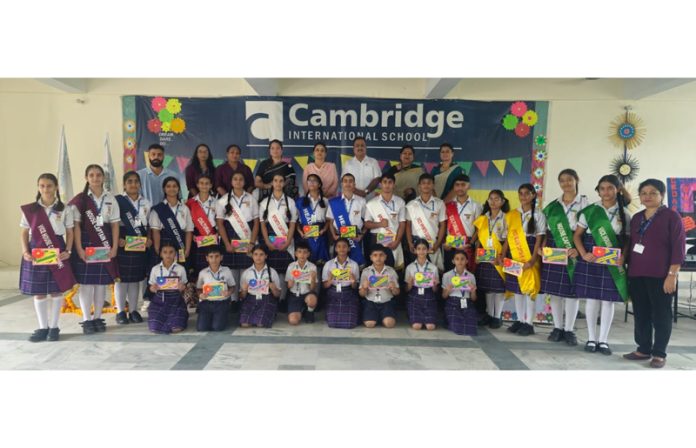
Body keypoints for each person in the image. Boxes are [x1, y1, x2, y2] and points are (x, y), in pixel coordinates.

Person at [624, 179, 686, 368]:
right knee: (641, 313)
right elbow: (632, 244)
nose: (648, 196)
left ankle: (659, 353)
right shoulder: (636, 218)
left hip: (661, 275)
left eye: (653, 193)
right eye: (644, 193)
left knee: (661, 314)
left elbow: (678, 248)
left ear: (662, 195)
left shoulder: (671, 216)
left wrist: (672, 275)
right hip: (637, 273)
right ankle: (643, 348)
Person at [573, 175, 632, 355]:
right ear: (598, 190)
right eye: (602, 188)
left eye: (610, 188)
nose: (606, 192)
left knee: (608, 301)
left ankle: (603, 340)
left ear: (618, 190)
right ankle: (591, 338)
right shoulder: (590, 211)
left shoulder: (625, 214)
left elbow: (628, 239)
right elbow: (577, 236)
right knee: (591, 299)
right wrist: (583, 253)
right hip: (592, 258)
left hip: (613, 260)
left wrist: (624, 256)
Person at [19, 173, 76, 342]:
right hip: (36, 250)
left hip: (57, 249)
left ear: (56, 187)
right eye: (42, 186)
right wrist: (25, 251)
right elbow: (23, 232)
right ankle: (43, 327)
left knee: (56, 290)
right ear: (38, 187)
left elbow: (70, 232)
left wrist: (69, 250)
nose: (46, 189)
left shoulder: (64, 209)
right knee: (39, 292)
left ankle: (54, 327)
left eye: (49, 186)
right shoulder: (30, 210)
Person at [69, 164, 120, 335]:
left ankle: (98, 317)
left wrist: (113, 247)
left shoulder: (110, 199)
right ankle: (86, 319)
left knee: (100, 285)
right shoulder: (80, 200)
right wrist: (79, 248)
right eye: (91, 175)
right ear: (86, 178)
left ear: (103, 178)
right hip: (85, 243)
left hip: (104, 242)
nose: (96, 178)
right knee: (86, 284)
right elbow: (75, 226)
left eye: (99, 175)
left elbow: (114, 225)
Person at [539, 169, 588, 346]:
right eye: (562, 180)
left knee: (571, 293)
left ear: (577, 180)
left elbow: (588, 232)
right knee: (555, 292)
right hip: (554, 249)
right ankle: (557, 327)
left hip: (574, 250)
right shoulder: (553, 206)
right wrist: (543, 245)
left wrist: (579, 249)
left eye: (569, 180)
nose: (566, 183)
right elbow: (545, 229)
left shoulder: (586, 204)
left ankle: (569, 330)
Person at [501, 183, 546, 337]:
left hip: (530, 251)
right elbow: (507, 237)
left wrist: (533, 260)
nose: (523, 196)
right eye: (521, 193)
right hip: (514, 252)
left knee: (529, 290)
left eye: (527, 193)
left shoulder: (539, 214)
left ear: (533, 195)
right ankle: (520, 320)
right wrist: (503, 254)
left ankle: (529, 323)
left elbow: (540, 239)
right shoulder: (512, 214)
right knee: (517, 290)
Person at [114, 171, 151, 325]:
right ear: (124, 184)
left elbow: (148, 225)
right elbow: (112, 224)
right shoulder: (117, 201)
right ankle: (121, 311)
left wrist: (148, 238)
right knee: (121, 280)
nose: (133, 184)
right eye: (129, 181)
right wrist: (117, 240)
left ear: (140, 184)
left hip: (139, 242)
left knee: (136, 279)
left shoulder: (146, 203)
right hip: (123, 241)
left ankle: (134, 310)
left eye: (136, 181)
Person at [216, 172, 260, 300]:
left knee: (246, 270)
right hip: (230, 237)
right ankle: (234, 300)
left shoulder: (251, 199)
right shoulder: (223, 200)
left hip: (247, 237)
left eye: (241, 179)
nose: (238, 181)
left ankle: (245, 298)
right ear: (231, 182)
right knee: (232, 271)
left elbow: (256, 223)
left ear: (244, 182)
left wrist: (252, 243)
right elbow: (220, 224)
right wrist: (227, 243)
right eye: (235, 179)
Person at [473, 190, 509, 329]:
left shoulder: (506, 217)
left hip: (499, 252)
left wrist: (502, 255)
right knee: (488, 287)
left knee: (498, 287)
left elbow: (507, 240)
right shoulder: (483, 217)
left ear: (502, 201)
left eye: (497, 199)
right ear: (487, 201)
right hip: (484, 253)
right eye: (491, 199)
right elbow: (477, 238)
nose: (493, 202)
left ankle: (497, 316)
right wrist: (477, 253)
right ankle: (489, 313)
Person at [259, 173, 298, 302]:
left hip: (286, 241)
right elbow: (263, 224)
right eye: (275, 181)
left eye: (281, 181)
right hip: (270, 241)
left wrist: (287, 242)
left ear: (284, 183)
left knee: (284, 271)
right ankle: (273, 298)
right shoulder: (264, 202)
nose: (278, 183)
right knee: (272, 271)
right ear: (272, 183)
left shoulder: (290, 202)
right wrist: (266, 242)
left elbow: (292, 223)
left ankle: (283, 299)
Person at [364, 173, 406, 269]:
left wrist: (397, 241)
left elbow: (402, 224)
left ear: (394, 185)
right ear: (380, 184)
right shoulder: (371, 203)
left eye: (390, 182)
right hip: (377, 240)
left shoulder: (400, 202)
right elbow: (367, 224)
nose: (387, 185)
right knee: (377, 269)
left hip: (394, 240)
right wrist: (380, 224)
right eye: (385, 182)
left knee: (393, 269)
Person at [149, 177, 194, 268]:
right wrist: (157, 249)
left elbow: (189, 231)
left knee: (180, 271)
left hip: (181, 244)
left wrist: (187, 249)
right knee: (164, 274)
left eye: (174, 186)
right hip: (164, 244)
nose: (172, 189)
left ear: (178, 189)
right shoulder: (159, 209)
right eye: (168, 186)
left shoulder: (184, 208)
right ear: (164, 189)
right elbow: (155, 231)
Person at [405, 173, 446, 271]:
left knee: (435, 271)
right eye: (423, 183)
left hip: (433, 242)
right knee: (417, 271)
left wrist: (437, 243)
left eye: (429, 183)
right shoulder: (411, 204)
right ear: (419, 186)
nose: (426, 185)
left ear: (433, 185)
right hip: (416, 243)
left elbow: (443, 225)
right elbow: (408, 225)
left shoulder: (439, 203)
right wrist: (410, 243)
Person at [443, 174, 483, 273]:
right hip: (451, 244)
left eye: (463, 185)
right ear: (454, 187)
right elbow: (443, 226)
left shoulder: (476, 206)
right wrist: (445, 243)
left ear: (468, 186)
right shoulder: (447, 206)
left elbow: (479, 228)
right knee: (451, 274)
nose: (460, 187)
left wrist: (471, 243)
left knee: (468, 274)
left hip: (468, 245)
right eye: (457, 185)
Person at [147, 242, 188, 334]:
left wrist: (182, 287)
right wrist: (153, 288)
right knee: (155, 328)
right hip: (159, 301)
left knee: (176, 328)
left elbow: (184, 286)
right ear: (161, 254)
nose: (168, 255)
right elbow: (151, 287)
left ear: (175, 254)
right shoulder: (155, 269)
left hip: (176, 301)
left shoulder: (180, 269)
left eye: (171, 252)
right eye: (165, 252)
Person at [327, 173, 366, 266]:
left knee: (356, 265)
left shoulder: (362, 201)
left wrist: (361, 236)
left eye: (351, 181)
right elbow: (330, 222)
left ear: (354, 184)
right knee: (339, 265)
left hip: (355, 238)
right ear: (342, 184)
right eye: (345, 181)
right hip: (339, 239)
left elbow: (367, 222)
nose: (348, 184)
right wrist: (334, 236)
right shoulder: (334, 202)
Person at [239, 244, 282, 328]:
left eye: (261, 254)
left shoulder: (272, 272)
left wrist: (274, 289)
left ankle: (271, 313)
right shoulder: (246, 273)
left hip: (267, 299)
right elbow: (241, 296)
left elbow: (278, 294)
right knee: (245, 324)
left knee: (260, 324)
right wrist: (244, 291)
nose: (258, 257)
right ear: (252, 256)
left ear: (266, 256)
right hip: (250, 300)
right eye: (255, 254)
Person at [322, 238, 361, 329]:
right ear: (335, 249)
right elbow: (325, 285)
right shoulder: (329, 264)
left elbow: (355, 287)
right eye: (339, 246)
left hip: (348, 293)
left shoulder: (354, 264)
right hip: (333, 292)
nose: (341, 249)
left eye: (344, 246)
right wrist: (330, 280)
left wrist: (353, 281)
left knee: (350, 324)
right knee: (332, 323)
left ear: (349, 249)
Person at [196, 246, 236, 332]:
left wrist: (229, 292)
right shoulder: (203, 273)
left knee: (217, 327)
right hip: (206, 303)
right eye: (211, 257)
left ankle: (221, 316)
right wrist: (200, 295)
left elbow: (232, 286)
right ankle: (212, 317)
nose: (214, 260)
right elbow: (198, 288)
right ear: (207, 258)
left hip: (222, 303)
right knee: (201, 328)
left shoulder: (227, 271)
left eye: (217, 256)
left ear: (221, 257)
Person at [359, 246, 400, 328]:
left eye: (381, 255)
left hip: (386, 302)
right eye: (375, 255)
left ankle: (382, 317)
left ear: (385, 257)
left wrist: (394, 288)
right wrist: (364, 288)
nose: (378, 258)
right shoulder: (366, 271)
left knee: (389, 324)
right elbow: (362, 294)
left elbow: (397, 293)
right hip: (371, 302)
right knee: (370, 324)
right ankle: (376, 317)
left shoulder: (391, 271)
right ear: (371, 257)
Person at [186, 174, 218, 277]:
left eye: (207, 183)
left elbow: (220, 222)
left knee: (212, 267)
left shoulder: (217, 203)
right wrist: (192, 236)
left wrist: (217, 234)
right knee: (198, 268)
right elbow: (187, 223)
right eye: (201, 183)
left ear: (211, 185)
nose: (204, 186)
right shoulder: (190, 203)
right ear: (197, 185)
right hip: (196, 237)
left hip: (212, 236)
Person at [404, 239, 440, 330]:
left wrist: (434, 285)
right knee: (417, 326)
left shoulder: (433, 268)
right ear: (415, 250)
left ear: (428, 250)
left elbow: (435, 291)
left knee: (430, 327)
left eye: (424, 249)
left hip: (429, 296)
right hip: (414, 297)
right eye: (419, 249)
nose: (421, 251)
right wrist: (409, 284)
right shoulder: (410, 267)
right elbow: (406, 290)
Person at [296, 173, 330, 265]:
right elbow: (296, 221)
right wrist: (301, 233)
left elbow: (328, 220)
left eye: (314, 180)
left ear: (319, 184)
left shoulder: (326, 201)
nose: (311, 182)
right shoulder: (300, 201)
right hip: (306, 235)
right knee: (308, 262)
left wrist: (323, 230)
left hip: (321, 235)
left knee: (322, 262)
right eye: (309, 180)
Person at [442, 251, 479, 336]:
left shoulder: (471, 276)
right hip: (452, 303)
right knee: (458, 328)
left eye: (462, 259)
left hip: (467, 302)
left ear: (466, 261)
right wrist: (448, 290)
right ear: (453, 261)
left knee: (472, 329)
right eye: (457, 259)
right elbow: (444, 296)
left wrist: (473, 291)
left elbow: (474, 298)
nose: (460, 261)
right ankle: (449, 322)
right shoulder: (447, 275)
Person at [285, 241, 319, 324]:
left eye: (305, 252)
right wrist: (289, 284)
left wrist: (313, 278)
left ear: (308, 254)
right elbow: (288, 286)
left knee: (311, 300)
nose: (302, 255)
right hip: (294, 296)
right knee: (293, 321)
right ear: (296, 253)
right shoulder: (291, 266)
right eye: (299, 252)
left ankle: (309, 312)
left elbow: (312, 288)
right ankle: (302, 311)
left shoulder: (312, 266)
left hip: (307, 294)